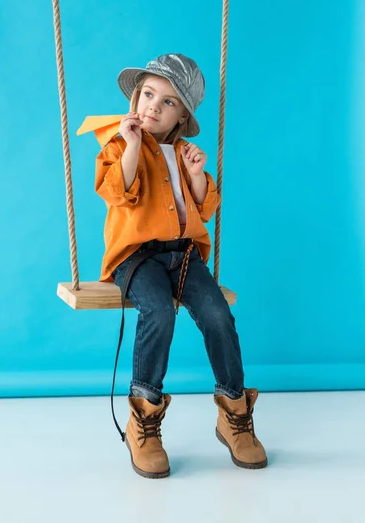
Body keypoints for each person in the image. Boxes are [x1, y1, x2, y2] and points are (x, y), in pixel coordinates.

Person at [94, 53, 268, 478]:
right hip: (137, 256)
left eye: (168, 102)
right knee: (157, 311)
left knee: (217, 313)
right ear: (136, 97)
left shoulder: (185, 153)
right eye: (148, 94)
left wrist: (195, 176)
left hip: (183, 253)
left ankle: (234, 413)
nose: (153, 106)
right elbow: (119, 192)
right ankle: (145, 422)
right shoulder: (118, 143)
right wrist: (133, 146)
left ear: (181, 116)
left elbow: (205, 208)